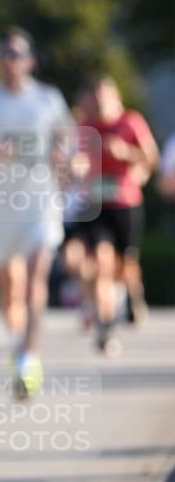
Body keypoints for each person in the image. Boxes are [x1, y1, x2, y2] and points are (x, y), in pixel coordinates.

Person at [0, 28, 73, 398]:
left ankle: (29, 358)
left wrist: (66, 161)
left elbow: (67, 145)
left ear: (30, 60)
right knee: (10, 292)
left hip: (41, 204)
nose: (11, 60)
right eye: (5, 53)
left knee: (36, 281)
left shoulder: (48, 99)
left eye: (17, 53)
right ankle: (18, 341)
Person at [74, 75, 159, 354]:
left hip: (126, 202)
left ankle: (134, 294)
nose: (100, 102)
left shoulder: (130, 121)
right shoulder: (85, 126)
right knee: (102, 263)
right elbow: (75, 158)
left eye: (105, 96)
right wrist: (77, 166)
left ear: (115, 97)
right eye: (96, 97)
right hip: (96, 205)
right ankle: (105, 326)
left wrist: (126, 152)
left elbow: (152, 158)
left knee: (127, 265)